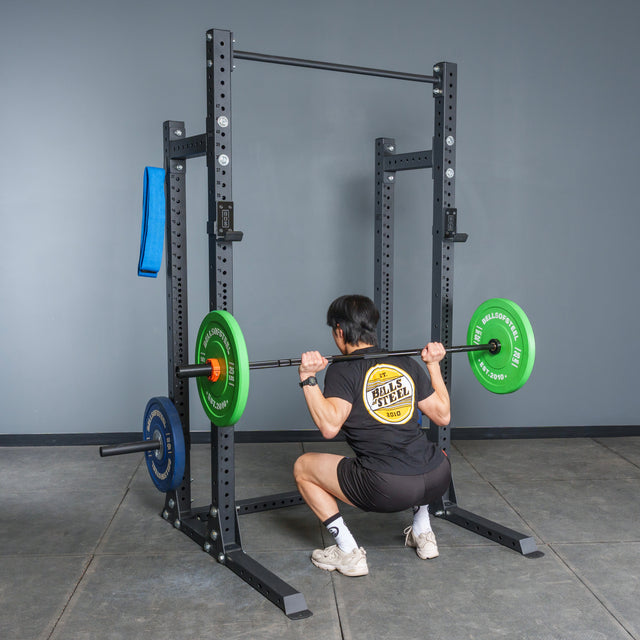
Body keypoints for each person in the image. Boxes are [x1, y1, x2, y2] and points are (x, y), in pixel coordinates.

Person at [293, 294, 451, 577]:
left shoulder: (344, 369)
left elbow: (329, 427)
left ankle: (348, 552)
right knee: (418, 453)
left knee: (303, 467)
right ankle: (423, 533)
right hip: (439, 475)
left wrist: (308, 378)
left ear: (339, 330)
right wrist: (434, 365)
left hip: (389, 489)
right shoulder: (405, 362)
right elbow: (443, 415)